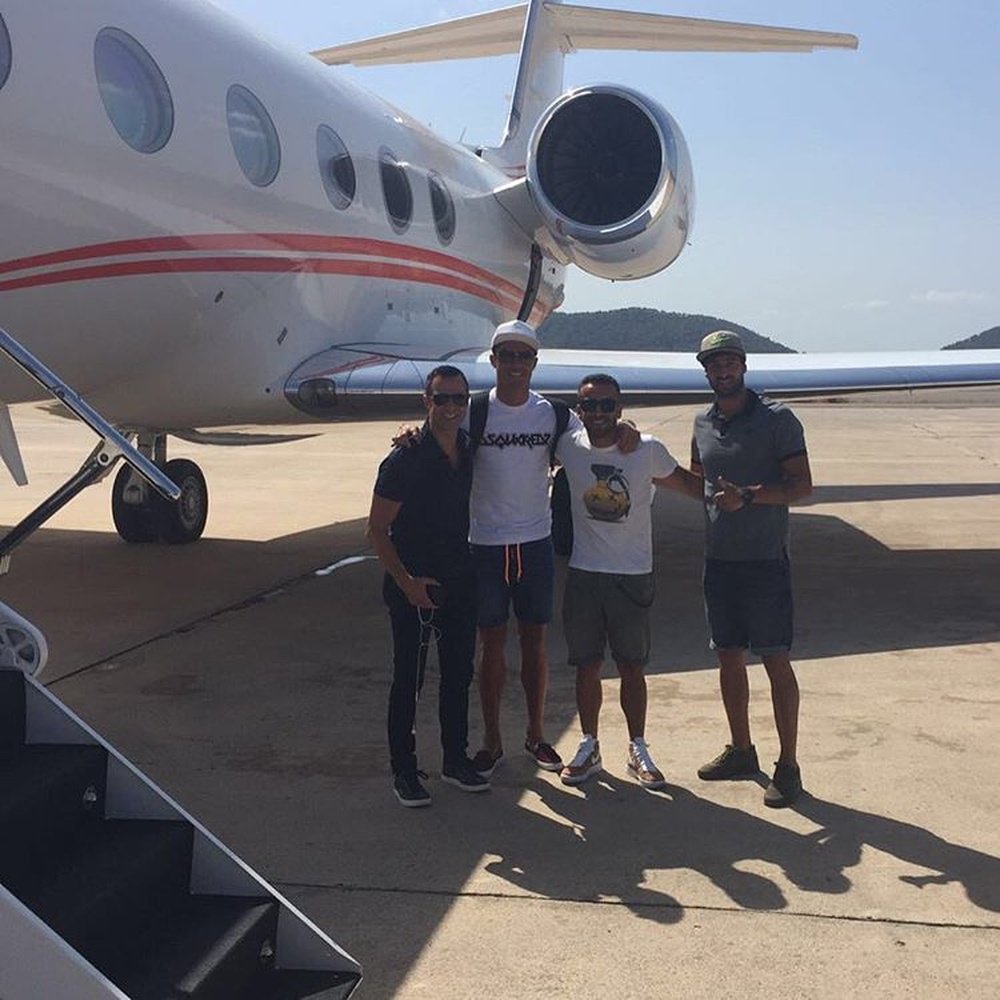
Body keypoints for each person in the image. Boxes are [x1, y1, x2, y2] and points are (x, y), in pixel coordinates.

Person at [469, 321, 638, 778]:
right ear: (494, 360)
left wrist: (628, 432)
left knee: (535, 643)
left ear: (535, 363)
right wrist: (410, 435)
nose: (516, 364)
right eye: (507, 355)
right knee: (491, 644)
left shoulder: (554, 416)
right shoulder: (474, 412)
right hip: (485, 543)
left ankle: (536, 735)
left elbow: (596, 441)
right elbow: (438, 439)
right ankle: (491, 740)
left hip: (534, 543)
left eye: (524, 356)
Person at [555, 374, 704, 789]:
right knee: (586, 666)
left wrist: (736, 495)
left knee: (632, 667)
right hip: (585, 574)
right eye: (590, 406)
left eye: (607, 406)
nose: (598, 413)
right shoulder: (568, 445)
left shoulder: (647, 449)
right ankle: (589, 744)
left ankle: (637, 745)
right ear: (578, 410)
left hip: (633, 574)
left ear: (620, 410)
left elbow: (689, 485)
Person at [690, 330, 813, 808]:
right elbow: (698, 481)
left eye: (729, 363)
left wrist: (751, 497)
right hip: (718, 562)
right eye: (714, 364)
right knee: (727, 656)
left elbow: (801, 487)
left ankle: (789, 765)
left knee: (775, 660)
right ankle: (742, 749)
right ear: (706, 372)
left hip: (764, 561)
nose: (722, 371)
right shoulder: (702, 422)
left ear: (743, 366)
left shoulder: (778, 420)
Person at [367, 365, 488, 807]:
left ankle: (455, 759)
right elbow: (378, 530)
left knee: (458, 674)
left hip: (459, 577)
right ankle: (403, 770)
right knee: (408, 680)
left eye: (459, 399)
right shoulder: (405, 459)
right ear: (427, 402)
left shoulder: (469, 450)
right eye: (442, 399)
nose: (452, 407)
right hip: (414, 585)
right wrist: (406, 583)